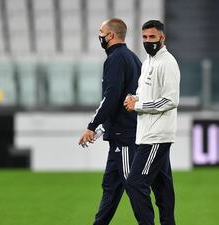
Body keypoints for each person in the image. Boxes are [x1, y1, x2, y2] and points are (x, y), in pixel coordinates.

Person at [78, 18, 141, 225]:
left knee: (133, 187)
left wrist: (92, 126)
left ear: (111, 35)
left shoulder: (115, 59)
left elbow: (111, 97)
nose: (99, 36)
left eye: (101, 32)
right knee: (111, 188)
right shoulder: (133, 58)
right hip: (121, 134)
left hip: (125, 137)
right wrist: (105, 127)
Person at [124, 20, 180, 225]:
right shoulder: (147, 62)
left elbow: (171, 99)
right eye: (145, 37)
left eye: (152, 37)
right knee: (163, 190)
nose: (148, 41)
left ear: (162, 38)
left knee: (135, 184)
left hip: (156, 135)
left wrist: (139, 106)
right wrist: (133, 98)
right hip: (146, 134)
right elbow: (145, 94)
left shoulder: (168, 63)